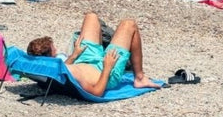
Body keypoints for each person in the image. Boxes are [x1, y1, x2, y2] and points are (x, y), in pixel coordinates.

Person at [26, 13, 162, 96]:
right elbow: (97, 92)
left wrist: (74, 54)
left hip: (83, 60)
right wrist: (107, 67)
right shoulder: (57, 74)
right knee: (129, 24)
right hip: (105, 72)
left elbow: (62, 71)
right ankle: (140, 78)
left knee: (91, 17)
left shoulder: (50, 69)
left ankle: (102, 46)